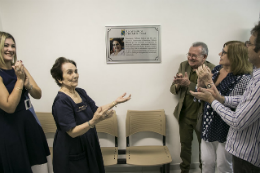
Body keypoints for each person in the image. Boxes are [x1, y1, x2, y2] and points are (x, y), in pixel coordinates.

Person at [191, 22, 260, 173]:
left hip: (226, 128)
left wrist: (210, 87)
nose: (219, 54)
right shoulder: (216, 70)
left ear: (235, 56)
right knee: (206, 163)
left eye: (224, 52)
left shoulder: (243, 78)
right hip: (208, 123)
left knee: (223, 166)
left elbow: (235, 107)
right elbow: (208, 94)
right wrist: (201, 83)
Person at [50, 57, 131, 173]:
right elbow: (72, 132)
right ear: (59, 79)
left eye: (76, 71)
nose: (75, 75)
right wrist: (93, 121)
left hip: (88, 144)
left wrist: (115, 102)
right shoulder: (61, 101)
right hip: (72, 150)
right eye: (70, 72)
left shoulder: (80, 92)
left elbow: (96, 110)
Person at [0, 31, 52, 173]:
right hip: (11, 128)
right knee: (18, 164)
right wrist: (20, 80)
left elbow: (38, 93)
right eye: (6, 45)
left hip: (29, 122)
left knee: (38, 164)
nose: (10, 49)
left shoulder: (19, 68)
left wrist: (28, 85)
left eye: (13, 46)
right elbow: (9, 106)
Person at [170, 42, 215, 173]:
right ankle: (184, 170)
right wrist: (178, 84)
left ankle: (203, 170)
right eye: (189, 54)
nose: (190, 58)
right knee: (185, 146)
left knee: (204, 148)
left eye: (194, 55)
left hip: (203, 116)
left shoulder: (212, 68)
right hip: (184, 115)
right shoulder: (183, 65)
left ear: (204, 57)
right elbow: (172, 90)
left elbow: (208, 92)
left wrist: (188, 84)